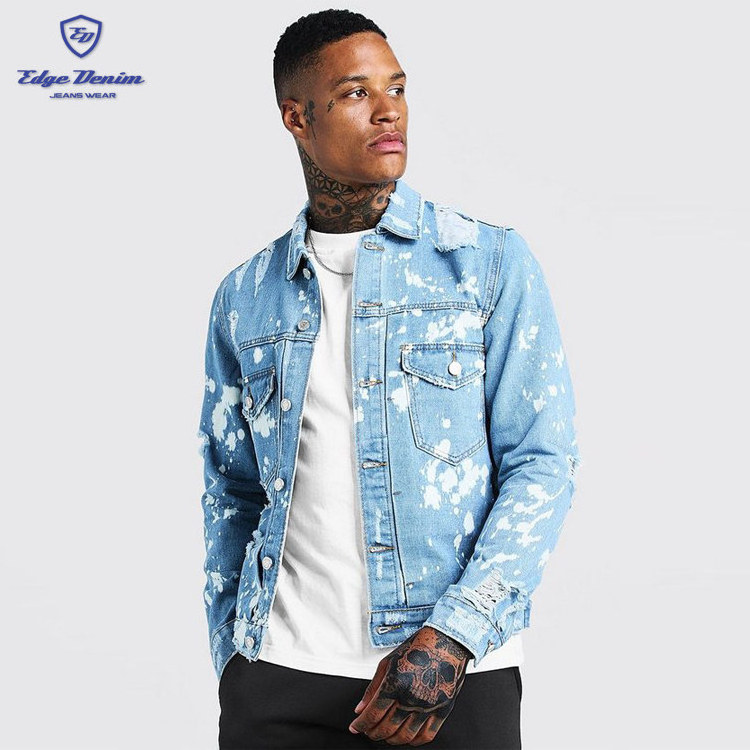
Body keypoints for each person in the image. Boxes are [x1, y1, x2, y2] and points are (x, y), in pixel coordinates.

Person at [197, 9, 582, 749]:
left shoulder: (486, 264)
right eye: (355, 92)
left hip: (449, 677)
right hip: (279, 677)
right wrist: (234, 661)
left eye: (397, 88)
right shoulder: (246, 296)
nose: (388, 111)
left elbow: (542, 463)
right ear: (297, 117)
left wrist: (454, 637)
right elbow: (232, 490)